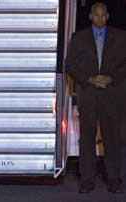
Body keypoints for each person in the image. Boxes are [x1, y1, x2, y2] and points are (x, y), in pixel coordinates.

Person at [65, 2, 126, 194]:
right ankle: (87, 181)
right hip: (88, 96)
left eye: (103, 15)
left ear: (107, 16)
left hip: (112, 97)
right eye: (96, 15)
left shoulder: (121, 37)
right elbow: (70, 65)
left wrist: (111, 77)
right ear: (91, 17)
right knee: (87, 140)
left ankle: (114, 180)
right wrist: (90, 78)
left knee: (113, 139)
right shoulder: (78, 38)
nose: (99, 18)